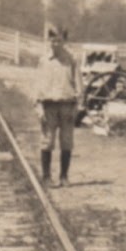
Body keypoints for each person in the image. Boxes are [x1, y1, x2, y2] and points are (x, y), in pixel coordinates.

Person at [33, 25, 82, 186]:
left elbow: (79, 86)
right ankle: (46, 177)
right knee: (47, 141)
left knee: (66, 142)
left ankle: (64, 176)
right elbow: (37, 85)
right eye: (53, 41)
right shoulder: (44, 61)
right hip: (48, 106)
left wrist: (77, 107)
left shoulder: (72, 59)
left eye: (59, 41)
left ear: (64, 41)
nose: (55, 44)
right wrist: (38, 107)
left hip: (67, 106)